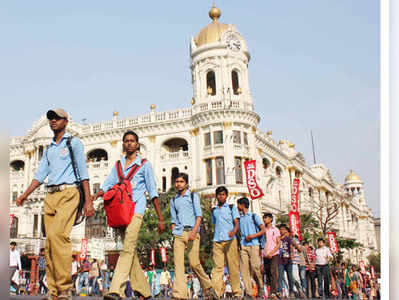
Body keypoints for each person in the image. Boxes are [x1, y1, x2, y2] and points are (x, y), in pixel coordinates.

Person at [16, 108, 94, 300]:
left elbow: (83, 173)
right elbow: (40, 175)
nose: (53, 121)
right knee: (49, 243)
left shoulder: (73, 143)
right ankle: (53, 291)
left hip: (69, 192)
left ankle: (64, 289)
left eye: (57, 118)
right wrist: (24, 194)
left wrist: (88, 200)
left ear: (66, 122)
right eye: (51, 118)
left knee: (59, 236)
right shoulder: (50, 148)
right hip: (50, 196)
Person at [93, 130, 165, 300]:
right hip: (121, 212)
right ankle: (145, 291)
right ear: (123, 144)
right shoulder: (118, 165)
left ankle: (115, 289)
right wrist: (96, 195)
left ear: (137, 144)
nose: (129, 143)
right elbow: (108, 184)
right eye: (126, 141)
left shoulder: (144, 165)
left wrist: (160, 218)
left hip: (137, 210)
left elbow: (153, 192)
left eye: (132, 141)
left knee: (126, 249)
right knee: (130, 252)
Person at [170, 173, 217, 299]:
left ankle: (208, 286)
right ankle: (179, 294)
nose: (178, 184)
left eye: (181, 181)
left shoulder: (192, 196)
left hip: (192, 231)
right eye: (176, 181)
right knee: (178, 264)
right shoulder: (173, 200)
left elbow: (199, 216)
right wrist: (174, 231)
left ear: (186, 183)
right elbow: (173, 219)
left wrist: (194, 232)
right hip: (179, 234)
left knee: (194, 263)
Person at [210, 186, 242, 298]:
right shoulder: (213, 210)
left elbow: (237, 222)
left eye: (223, 194)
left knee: (232, 267)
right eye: (219, 194)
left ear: (226, 196)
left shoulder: (232, 207)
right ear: (216, 196)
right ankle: (216, 292)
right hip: (217, 240)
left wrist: (234, 231)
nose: (221, 196)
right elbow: (214, 223)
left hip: (230, 241)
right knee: (217, 268)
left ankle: (237, 292)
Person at [236, 197, 265, 299]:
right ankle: (249, 292)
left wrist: (252, 236)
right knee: (244, 270)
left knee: (255, 267)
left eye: (238, 205)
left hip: (254, 244)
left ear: (242, 205)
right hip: (243, 246)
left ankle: (261, 286)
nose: (237, 207)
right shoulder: (239, 219)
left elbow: (263, 230)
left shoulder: (253, 216)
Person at [262, 213, 280, 300]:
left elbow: (278, 243)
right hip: (265, 254)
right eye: (264, 218)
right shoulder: (262, 230)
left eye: (266, 218)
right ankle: (268, 291)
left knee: (273, 272)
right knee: (267, 272)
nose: (265, 219)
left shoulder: (275, 230)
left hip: (274, 254)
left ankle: (273, 292)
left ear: (271, 219)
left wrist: (272, 252)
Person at [277, 224, 295, 299]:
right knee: (280, 277)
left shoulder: (288, 239)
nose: (282, 231)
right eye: (280, 229)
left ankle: (291, 292)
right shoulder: (278, 238)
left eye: (283, 229)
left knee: (290, 277)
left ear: (286, 231)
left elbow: (291, 247)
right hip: (280, 260)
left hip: (288, 260)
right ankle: (280, 292)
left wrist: (292, 255)